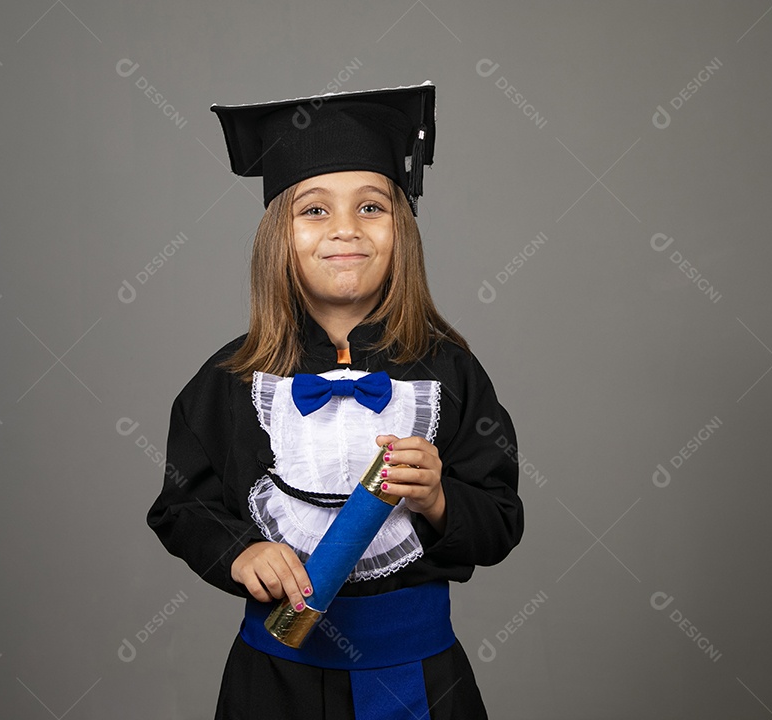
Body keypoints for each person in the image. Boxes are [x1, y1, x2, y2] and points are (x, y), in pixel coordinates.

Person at [146, 82, 524, 720]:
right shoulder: (229, 379)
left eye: (372, 207)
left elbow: (500, 520)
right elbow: (183, 507)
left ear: (401, 229)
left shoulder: (452, 373)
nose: (345, 229)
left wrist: (437, 498)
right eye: (315, 210)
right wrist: (241, 549)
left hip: (415, 677)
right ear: (278, 237)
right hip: (276, 679)